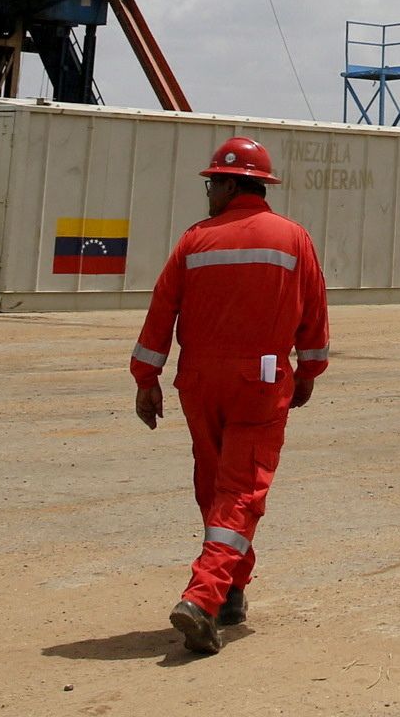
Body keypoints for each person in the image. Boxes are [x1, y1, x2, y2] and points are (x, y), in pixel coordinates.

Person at [129, 134, 331, 655]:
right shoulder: (293, 239)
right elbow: (314, 316)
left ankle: (232, 592)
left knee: (216, 487)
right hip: (259, 384)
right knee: (241, 493)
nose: (208, 193)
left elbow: (160, 312)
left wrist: (146, 378)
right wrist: (308, 371)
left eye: (211, 183)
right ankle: (202, 598)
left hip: (199, 383)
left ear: (231, 182)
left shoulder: (194, 241)